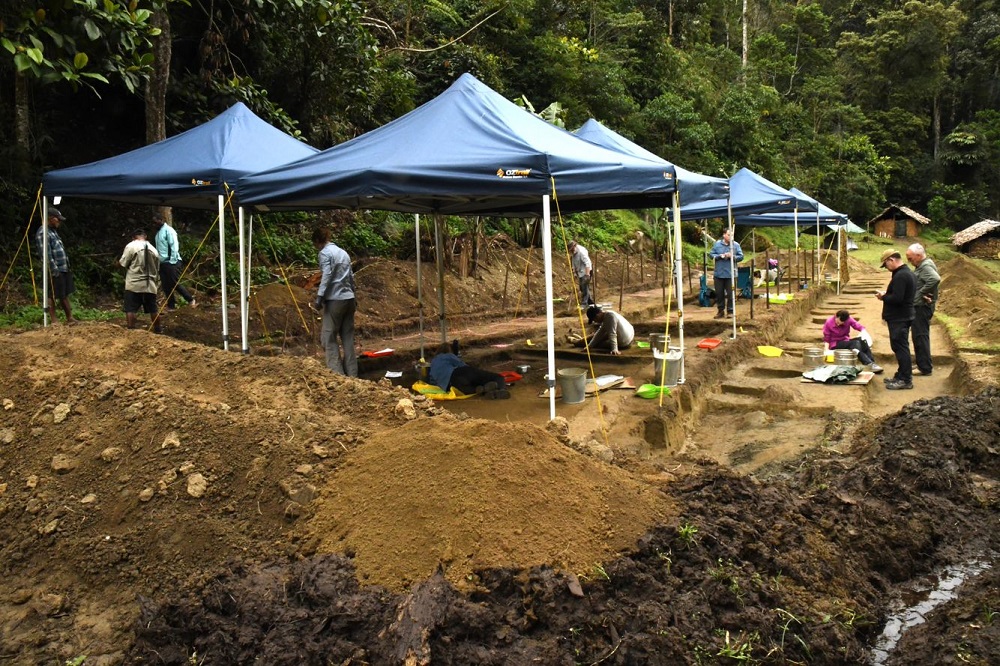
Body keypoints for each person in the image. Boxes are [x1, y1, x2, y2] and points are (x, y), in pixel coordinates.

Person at [312, 227, 357, 377]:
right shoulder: (343, 253)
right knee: (348, 338)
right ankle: (353, 375)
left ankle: (338, 377)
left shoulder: (324, 253)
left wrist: (319, 298)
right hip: (349, 299)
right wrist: (353, 295)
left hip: (335, 300)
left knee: (328, 338)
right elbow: (351, 277)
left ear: (318, 241)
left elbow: (326, 276)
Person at [875, 249, 916, 390]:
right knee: (899, 346)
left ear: (891, 260)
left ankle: (905, 379)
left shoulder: (901, 276)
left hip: (900, 317)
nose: (886, 268)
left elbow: (897, 299)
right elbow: (900, 294)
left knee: (901, 347)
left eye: (885, 265)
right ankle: (901, 375)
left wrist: (883, 297)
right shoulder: (905, 273)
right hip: (903, 316)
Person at [34, 207, 75, 324]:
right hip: (54, 269)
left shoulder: (53, 232)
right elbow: (46, 254)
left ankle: (70, 318)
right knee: (51, 295)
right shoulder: (43, 232)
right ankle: (54, 321)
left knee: (63, 294)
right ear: (51, 219)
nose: (59, 222)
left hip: (63, 268)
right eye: (58, 219)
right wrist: (53, 269)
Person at [428, 342, 509, 399]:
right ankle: (502, 389)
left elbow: (433, 381)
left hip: (452, 386)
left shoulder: (433, 363)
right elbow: (462, 365)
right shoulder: (447, 355)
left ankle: (484, 390)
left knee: (475, 388)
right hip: (458, 373)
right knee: (496, 377)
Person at [906, 243, 940, 376]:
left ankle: (925, 367)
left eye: (910, 258)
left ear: (919, 256)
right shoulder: (923, 265)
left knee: (920, 336)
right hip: (921, 306)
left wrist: (920, 293)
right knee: (919, 336)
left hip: (922, 307)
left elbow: (935, 279)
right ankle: (922, 363)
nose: (909, 261)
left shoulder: (925, 266)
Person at [119, 229, 162, 332]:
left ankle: (131, 329)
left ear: (133, 237)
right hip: (150, 284)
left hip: (134, 283)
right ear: (145, 236)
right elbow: (157, 268)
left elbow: (123, 263)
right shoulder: (154, 250)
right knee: (153, 309)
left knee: (130, 309)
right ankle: (158, 329)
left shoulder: (131, 246)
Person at [152, 216, 197, 310]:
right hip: (162, 262)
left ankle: (190, 299)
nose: (154, 224)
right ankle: (171, 305)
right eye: (153, 222)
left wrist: (173, 260)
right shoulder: (158, 233)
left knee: (174, 283)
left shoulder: (168, 230)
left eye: (156, 222)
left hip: (172, 261)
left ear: (161, 220)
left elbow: (174, 245)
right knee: (165, 285)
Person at [822, 309, 883, 373]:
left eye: (842, 323)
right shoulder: (829, 322)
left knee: (862, 341)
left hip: (845, 340)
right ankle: (868, 363)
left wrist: (863, 331)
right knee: (855, 343)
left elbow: (856, 324)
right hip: (834, 343)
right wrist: (826, 350)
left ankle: (872, 364)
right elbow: (827, 338)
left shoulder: (848, 319)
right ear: (836, 316)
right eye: (838, 322)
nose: (839, 324)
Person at [709, 228, 744, 319]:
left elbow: (741, 256)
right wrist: (718, 256)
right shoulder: (717, 244)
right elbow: (711, 254)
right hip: (719, 273)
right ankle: (720, 311)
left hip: (731, 274)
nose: (731, 237)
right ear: (724, 235)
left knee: (731, 294)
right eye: (729, 235)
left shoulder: (736, 245)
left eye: (732, 235)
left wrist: (732, 256)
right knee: (719, 293)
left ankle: (730, 311)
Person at [567, 240, 594, 307]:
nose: (572, 251)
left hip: (587, 270)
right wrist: (574, 272)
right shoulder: (573, 253)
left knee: (584, 287)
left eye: (572, 249)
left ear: (575, 246)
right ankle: (590, 302)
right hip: (580, 271)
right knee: (582, 287)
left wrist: (587, 275)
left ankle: (584, 303)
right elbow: (573, 262)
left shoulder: (581, 252)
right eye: (570, 250)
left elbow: (587, 263)